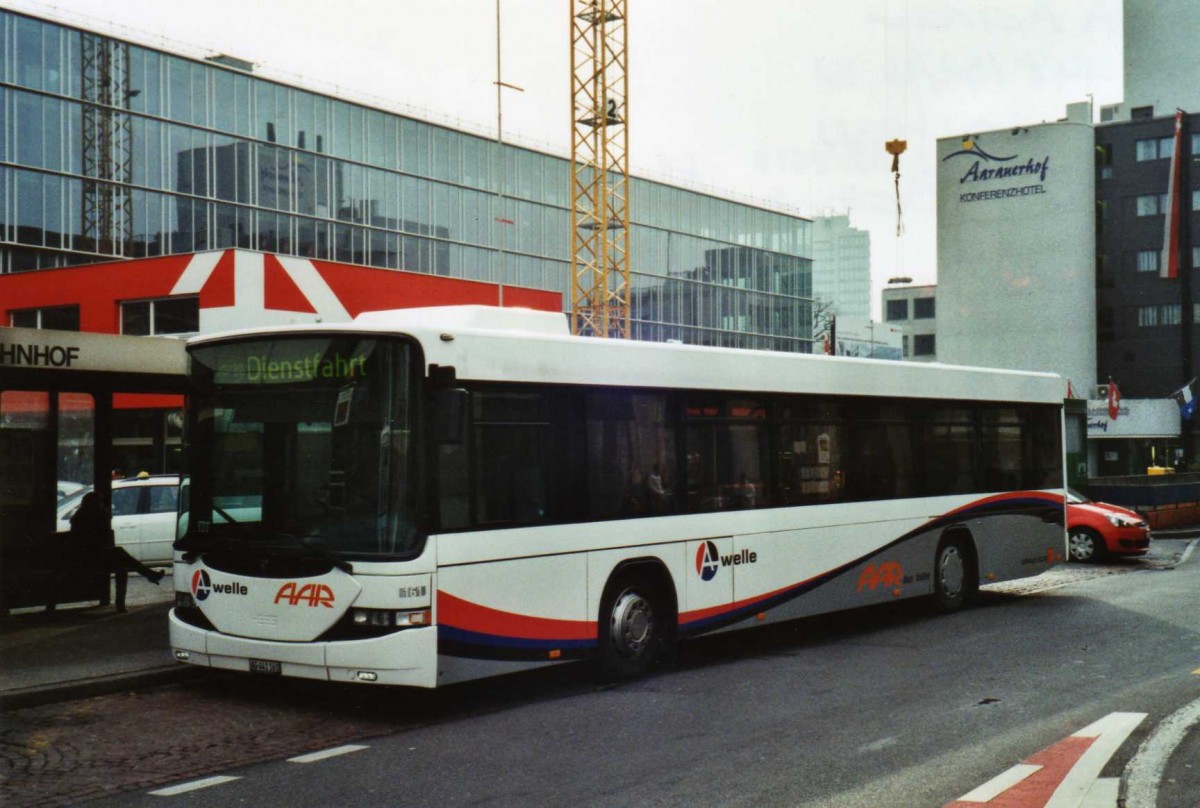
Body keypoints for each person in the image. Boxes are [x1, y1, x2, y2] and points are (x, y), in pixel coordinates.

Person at [67, 492, 164, 612]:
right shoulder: (86, 518)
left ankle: (150, 575)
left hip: (90, 556)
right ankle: (148, 576)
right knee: (121, 556)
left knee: (121, 559)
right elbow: (95, 542)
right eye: (100, 503)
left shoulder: (82, 516)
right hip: (87, 558)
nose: (102, 505)